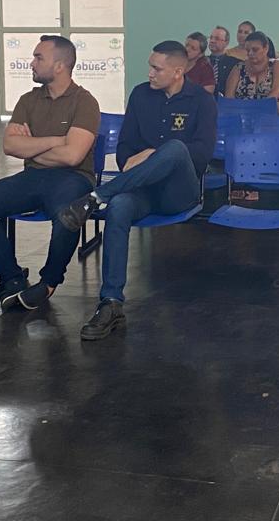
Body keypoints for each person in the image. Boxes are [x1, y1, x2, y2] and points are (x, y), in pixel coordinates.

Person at [56, 41, 216, 340]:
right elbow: (126, 146)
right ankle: (111, 302)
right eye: (150, 66)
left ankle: (96, 197)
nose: (150, 73)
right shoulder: (140, 94)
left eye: (157, 68)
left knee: (175, 148)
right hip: (142, 188)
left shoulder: (202, 101)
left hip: (179, 191)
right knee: (120, 207)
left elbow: (202, 153)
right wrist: (131, 159)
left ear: (178, 72)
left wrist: (155, 153)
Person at [0, 36, 99, 310]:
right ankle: (12, 277)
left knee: (67, 217)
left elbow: (73, 156)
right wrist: (57, 140)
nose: (32, 63)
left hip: (73, 178)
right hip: (33, 177)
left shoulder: (85, 102)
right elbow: (10, 146)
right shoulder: (28, 100)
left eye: (39, 58)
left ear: (60, 65)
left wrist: (31, 148)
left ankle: (48, 282)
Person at [225, 31, 279, 105]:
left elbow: (275, 94)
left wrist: (257, 108)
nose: (250, 53)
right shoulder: (238, 68)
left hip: (269, 109)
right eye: (248, 50)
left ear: (266, 48)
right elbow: (229, 98)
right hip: (241, 110)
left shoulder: (276, 65)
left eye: (255, 50)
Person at [207, 26, 238, 96]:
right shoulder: (202, 62)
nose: (212, 41)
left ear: (226, 42)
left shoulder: (235, 64)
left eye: (217, 38)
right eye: (211, 38)